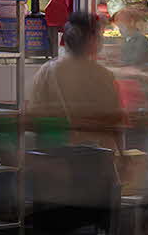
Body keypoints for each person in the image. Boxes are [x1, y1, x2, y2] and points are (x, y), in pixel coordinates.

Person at [25, 11, 126, 152]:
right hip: (97, 157)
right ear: (92, 41)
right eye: (98, 35)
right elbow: (116, 123)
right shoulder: (103, 76)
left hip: (56, 156)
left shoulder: (47, 71)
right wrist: (122, 155)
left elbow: (34, 115)